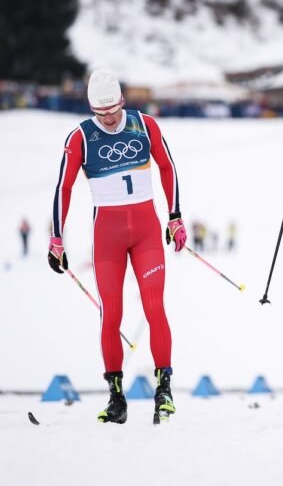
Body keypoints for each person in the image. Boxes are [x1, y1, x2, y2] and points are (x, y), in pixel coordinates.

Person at [48, 69, 187, 425]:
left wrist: (174, 216)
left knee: (154, 306)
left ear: (122, 101)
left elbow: (167, 167)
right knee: (111, 314)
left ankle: (164, 390)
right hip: (107, 238)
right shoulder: (81, 136)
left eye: (113, 110)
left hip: (145, 233)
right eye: (100, 112)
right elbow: (64, 188)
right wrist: (56, 238)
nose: (108, 118)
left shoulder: (144, 125)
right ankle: (116, 397)